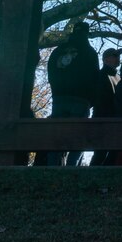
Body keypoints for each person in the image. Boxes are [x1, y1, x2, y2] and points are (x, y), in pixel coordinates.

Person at [43, 21, 101, 166]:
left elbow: (51, 72)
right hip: (81, 100)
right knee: (78, 136)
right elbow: (95, 78)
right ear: (87, 33)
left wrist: (56, 91)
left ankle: (53, 166)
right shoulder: (90, 52)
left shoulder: (58, 51)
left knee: (57, 134)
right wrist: (91, 100)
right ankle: (72, 168)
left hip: (59, 99)